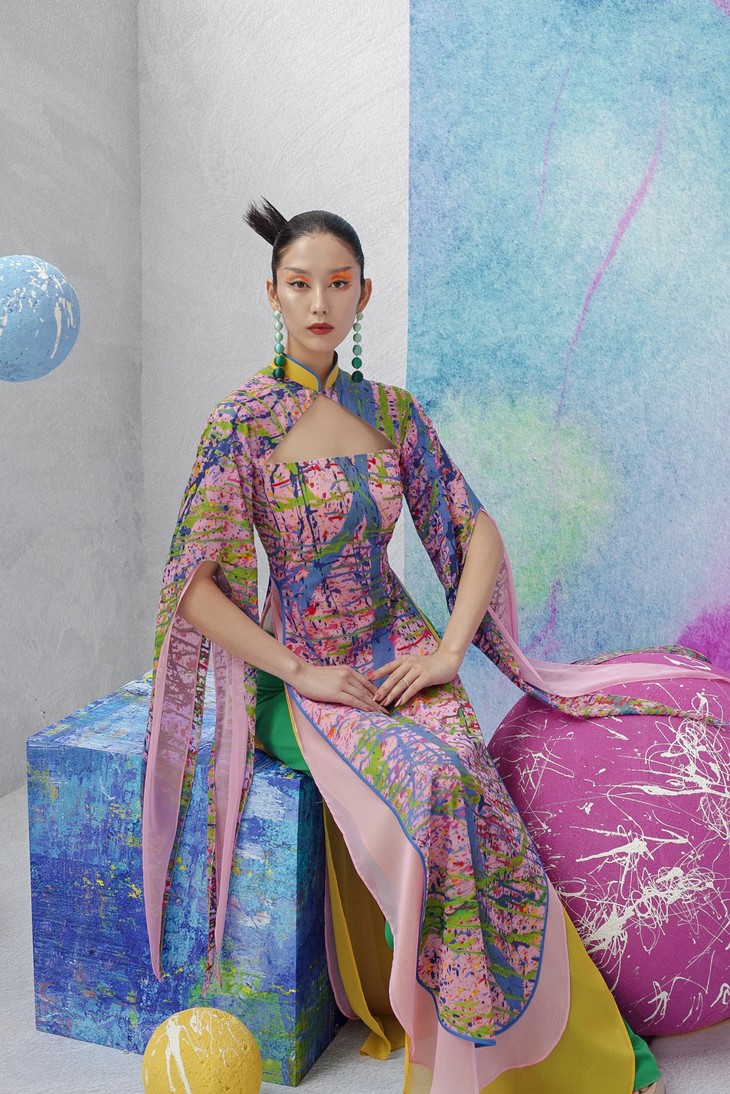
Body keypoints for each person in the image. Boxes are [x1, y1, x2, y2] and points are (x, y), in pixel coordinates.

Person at [141, 199, 729, 1093]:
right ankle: (465, 1059)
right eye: (299, 285)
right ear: (272, 294)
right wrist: (300, 671)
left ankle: (569, 1053)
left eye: (338, 284)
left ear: (364, 294)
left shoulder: (393, 413)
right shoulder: (241, 424)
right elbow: (192, 586)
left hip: (404, 653)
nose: (319, 304)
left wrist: (450, 652)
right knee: (434, 786)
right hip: (305, 676)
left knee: (471, 786)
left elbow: (475, 530)